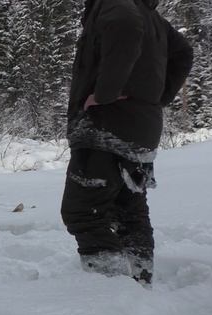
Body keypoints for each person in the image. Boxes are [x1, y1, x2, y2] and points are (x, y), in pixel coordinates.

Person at [61, 0, 193, 285]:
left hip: (105, 127)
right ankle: (139, 279)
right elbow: (183, 52)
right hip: (141, 131)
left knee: (83, 210)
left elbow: (126, 25)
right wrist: (157, 96)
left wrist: (107, 91)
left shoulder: (116, 3)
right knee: (129, 209)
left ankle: (109, 290)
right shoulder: (151, 16)